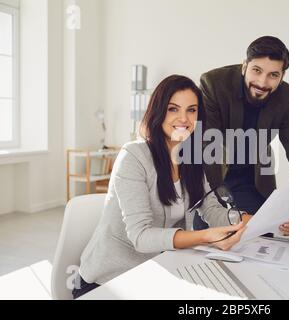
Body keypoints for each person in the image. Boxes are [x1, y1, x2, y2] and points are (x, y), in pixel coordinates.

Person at [73, 75, 256, 299]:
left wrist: (259, 220)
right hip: (107, 282)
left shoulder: (193, 158)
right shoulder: (133, 156)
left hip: (155, 273)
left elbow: (212, 210)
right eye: (173, 109)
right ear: (158, 111)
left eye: (191, 110)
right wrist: (205, 236)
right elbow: (140, 236)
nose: (183, 118)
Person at [195, 36, 289, 233]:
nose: (262, 82)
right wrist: (223, 211)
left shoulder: (287, 97)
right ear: (244, 67)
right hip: (213, 178)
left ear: (282, 77)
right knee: (212, 239)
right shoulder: (214, 84)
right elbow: (209, 147)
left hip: (252, 180)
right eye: (256, 71)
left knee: (263, 237)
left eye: (273, 75)